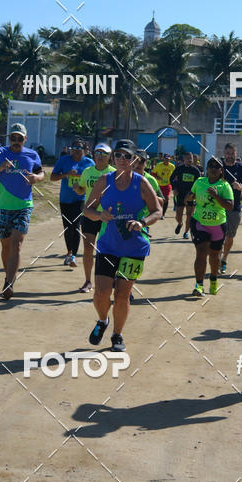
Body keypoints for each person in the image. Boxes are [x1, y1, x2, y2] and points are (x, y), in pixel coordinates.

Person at [84, 139, 161, 351]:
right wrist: (100, 215)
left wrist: (142, 222)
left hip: (134, 247)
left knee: (122, 295)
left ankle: (117, 335)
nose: (122, 159)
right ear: (113, 157)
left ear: (134, 159)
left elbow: (157, 211)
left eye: (127, 156)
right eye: (118, 155)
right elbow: (87, 210)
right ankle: (102, 321)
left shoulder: (142, 183)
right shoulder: (103, 181)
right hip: (108, 245)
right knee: (101, 292)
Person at [0, 123, 44, 300]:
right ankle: (7, 276)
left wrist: (36, 178)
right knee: (6, 246)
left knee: (16, 244)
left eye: (20, 138)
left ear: (25, 139)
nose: (16, 141)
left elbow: (41, 173)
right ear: (9, 138)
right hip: (3, 207)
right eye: (13, 138)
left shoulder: (32, 154)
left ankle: (9, 283)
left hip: (24, 206)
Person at [187, 157, 233, 297]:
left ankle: (213, 280)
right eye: (211, 166)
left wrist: (216, 195)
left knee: (214, 255)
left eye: (217, 167)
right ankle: (199, 285)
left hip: (218, 225)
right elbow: (191, 195)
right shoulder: (199, 182)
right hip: (200, 223)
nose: (213, 169)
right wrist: (188, 197)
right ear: (206, 169)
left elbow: (230, 206)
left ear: (221, 170)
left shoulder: (225, 186)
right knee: (201, 252)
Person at [74, 142, 115, 293]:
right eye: (98, 153)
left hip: (107, 216)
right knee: (88, 248)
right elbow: (81, 189)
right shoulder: (87, 171)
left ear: (109, 157)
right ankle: (87, 281)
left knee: (108, 249)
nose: (100, 156)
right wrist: (77, 188)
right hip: (90, 215)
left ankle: (110, 279)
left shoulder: (114, 173)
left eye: (104, 154)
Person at [50, 140, 94, 268]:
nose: (75, 150)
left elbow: (93, 178)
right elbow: (52, 177)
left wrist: (82, 177)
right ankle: (69, 251)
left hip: (80, 198)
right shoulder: (64, 160)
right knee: (67, 227)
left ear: (84, 150)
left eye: (79, 148)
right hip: (65, 199)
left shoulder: (88, 163)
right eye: (73, 147)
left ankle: (73, 255)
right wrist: (66, 174)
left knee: (75, 226)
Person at [220, 143, 242, 274]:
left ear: (236, 154)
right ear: (224, 154)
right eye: (227, 153)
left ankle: (224, 259)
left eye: (232, 153)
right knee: (218, 236)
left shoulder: (241, 168)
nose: (229, 156)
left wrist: (241, 188)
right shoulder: (219, 167)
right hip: (218, 207)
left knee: (229, 236)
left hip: (234, 208)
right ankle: (217, 258)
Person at [170, 151, 201, 239]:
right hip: (180, 194)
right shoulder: (179, 168)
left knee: (189, 215)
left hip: (191, 195)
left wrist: (195, 193)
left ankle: (186, 232)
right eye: (187, 158)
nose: (189, 160)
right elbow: (172, 178)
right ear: (184, 160)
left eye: (191, 158)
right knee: (178, 215)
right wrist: (175, 188)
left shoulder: (195, 171)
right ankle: (180, 223)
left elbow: (199, 183)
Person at [152, 153, 175, 219]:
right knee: (159, 199)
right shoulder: (159, 165)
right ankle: (158, 212)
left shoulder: (172, 166)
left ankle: (163, 214)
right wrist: (158, 177)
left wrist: (173, 181)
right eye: (165, 159)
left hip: (167, 185)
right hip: (159, 185)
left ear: (170, 159)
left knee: (166, 199)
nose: (167, 160)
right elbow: (153, 173)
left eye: (168, 159)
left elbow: (174, 175)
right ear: (163, 159)